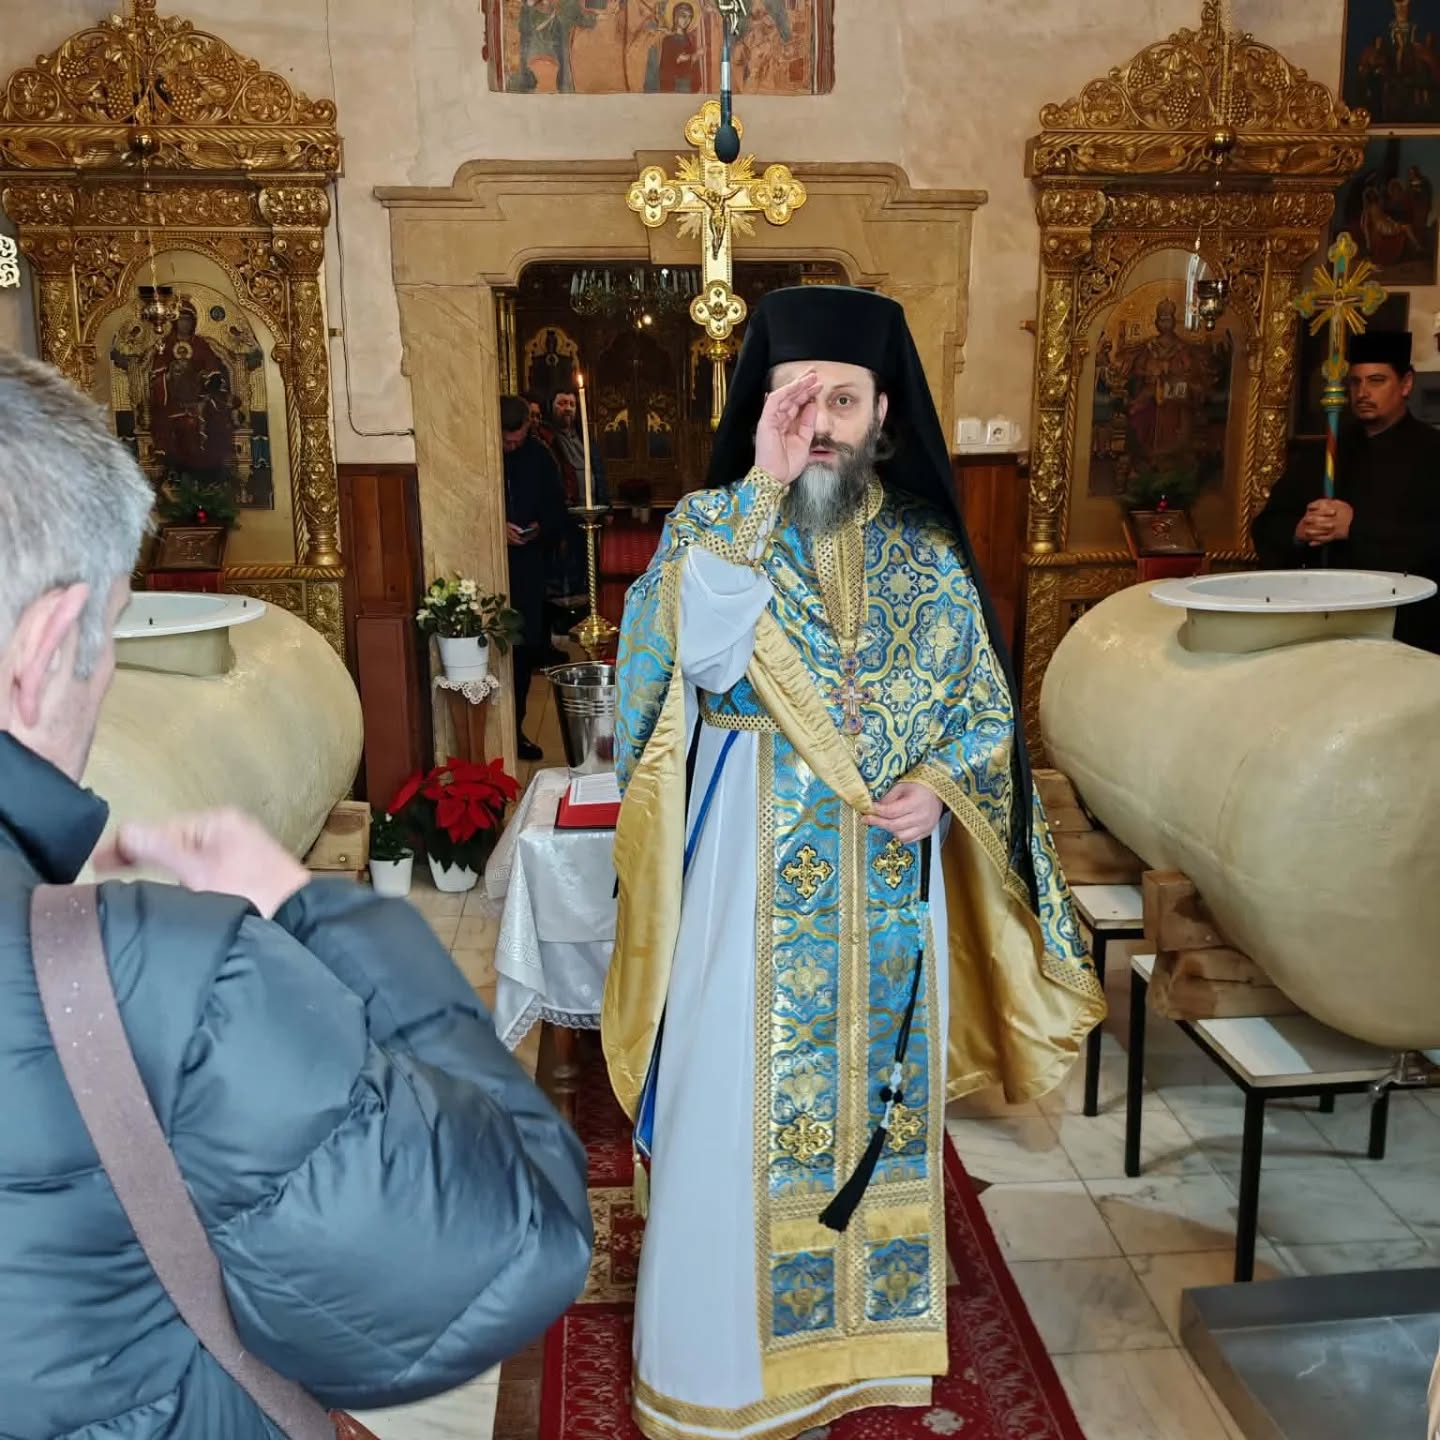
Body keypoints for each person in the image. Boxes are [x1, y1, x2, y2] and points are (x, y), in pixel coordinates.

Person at [0, 351, 592, 1437]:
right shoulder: (161, 979)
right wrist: (319, 910)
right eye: (111, 637)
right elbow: (512, 1240)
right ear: (42, 650)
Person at [604, 286, 1105, 1440]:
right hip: (747, 870)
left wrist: (944, 787)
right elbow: (701, 662)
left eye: (841, 399)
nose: (817, 420)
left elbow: (981, 715)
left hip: (887, 881)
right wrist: (761, 487)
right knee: (729, 1110)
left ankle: (855, 1354)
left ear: (885, 415)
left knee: (876, 1107)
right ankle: (718, 1370)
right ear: (761, 408)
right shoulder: (712, 526)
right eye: (795, 397)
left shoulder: (926, 549)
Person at [1252, 329, 1440, 652]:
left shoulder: (1433, 453)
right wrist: (1299, 530)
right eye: (1355, 382)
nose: (1363, 393)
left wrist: (1355, 527)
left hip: (1406, 631)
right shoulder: (1325, 452)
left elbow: (1430, 541)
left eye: (1377, 381)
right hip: (1322, 625)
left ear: (1406, 383)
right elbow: (1267, 525)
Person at [502, 393, 569, 759]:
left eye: (517, 441)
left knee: (523, 651)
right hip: (489, 565)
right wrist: (497, 527)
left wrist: (539, 529)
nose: (511, 447)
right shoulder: (483, 455)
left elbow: (557, 510)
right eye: (506, 442)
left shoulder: (539, 457)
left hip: (527, 567)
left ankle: (515, 730)